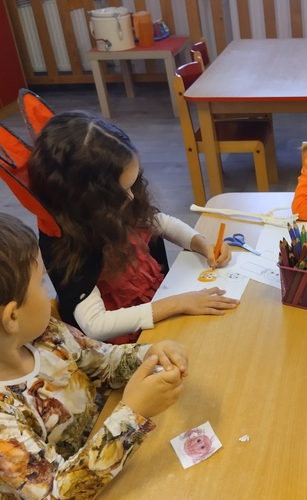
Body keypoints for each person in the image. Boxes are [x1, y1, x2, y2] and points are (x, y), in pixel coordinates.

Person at [0, 213, 187, 498]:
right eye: (40, 283)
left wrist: (148, 354)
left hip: (115, 448)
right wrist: (133, 414)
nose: (47, 291)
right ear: (12, 316)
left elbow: (102, 362)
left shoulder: (44, 334)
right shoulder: (5, 419)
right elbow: (59, 492)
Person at [26, 112, 239, 343]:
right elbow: (96, 324)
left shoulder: (109, 206)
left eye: (133, 184)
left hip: (158, 308)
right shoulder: (69, 244)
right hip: (124, 344)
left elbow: (161, 222)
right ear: (85, 198)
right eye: (122, 191)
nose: (131, 197)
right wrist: (178, 303)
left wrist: (202, 244)